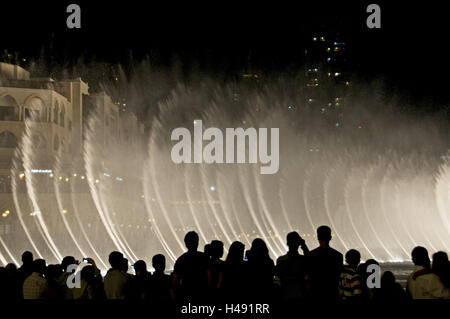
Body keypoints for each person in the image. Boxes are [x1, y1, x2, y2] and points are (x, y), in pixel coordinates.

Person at [306, 225, 343, 300]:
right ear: (330, 238)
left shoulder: (311, 255)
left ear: (318, 237)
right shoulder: (338, 256)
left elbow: (308, 276)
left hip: (315, 294)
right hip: (332, 294)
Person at [173, 231, 210, 301]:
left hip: (186, 295)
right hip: (202, 294)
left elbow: (175, 281)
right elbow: (209, 277)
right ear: (197, 243)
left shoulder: (180, 260)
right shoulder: (205, 258)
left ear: (186, 244)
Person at [275, 231, 309, 300]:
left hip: (285, 295)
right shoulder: (303, 260)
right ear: (298, 244)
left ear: (287, 243)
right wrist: (304, 245)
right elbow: (311, 261)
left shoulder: (281, 260)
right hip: (301, 295)